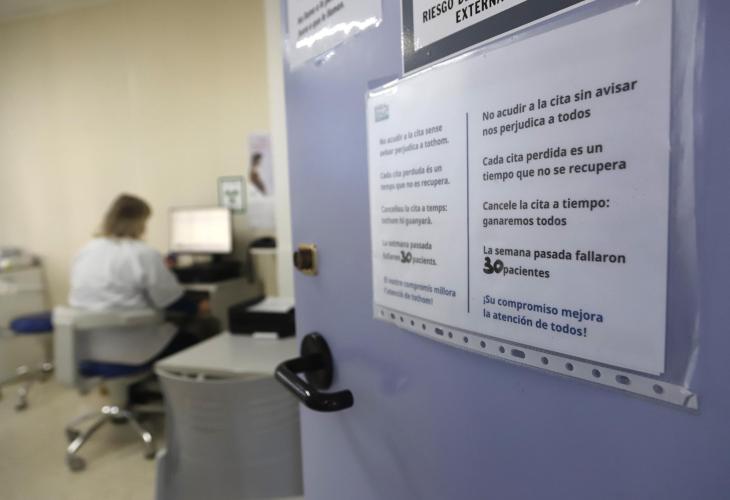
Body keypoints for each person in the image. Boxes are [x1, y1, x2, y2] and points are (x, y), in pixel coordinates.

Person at [69, 194, 207, 366]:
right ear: (138, 223)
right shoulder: (144, 253)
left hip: (87, 348)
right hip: (131, 348)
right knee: (196, 340)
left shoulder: (86, 250)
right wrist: (198, 307)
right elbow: (171, 301)